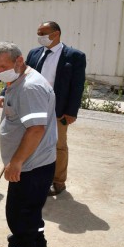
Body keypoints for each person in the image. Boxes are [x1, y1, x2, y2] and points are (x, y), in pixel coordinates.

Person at [0, 41, 57, 247]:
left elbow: (36, 129)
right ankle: (36, 238)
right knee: (32, 209)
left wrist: (16, 161)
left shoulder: (30, 87)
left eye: (3, 66)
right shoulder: (19, 79)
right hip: (33, 161)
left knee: (19, 212)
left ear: (19, 61)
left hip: (30, 163)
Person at [27, 21, 86, 196]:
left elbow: (77, 86)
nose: (40, 37)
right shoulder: (34, 53)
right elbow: (23, 75)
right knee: (33, 143)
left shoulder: (74, 56)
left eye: (43, 33)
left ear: (56, 34)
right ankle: (36, 177)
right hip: (34, 106)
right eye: (38, 33)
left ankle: (58, 182)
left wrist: (71, 111)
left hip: (58, 109)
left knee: (58, 146)